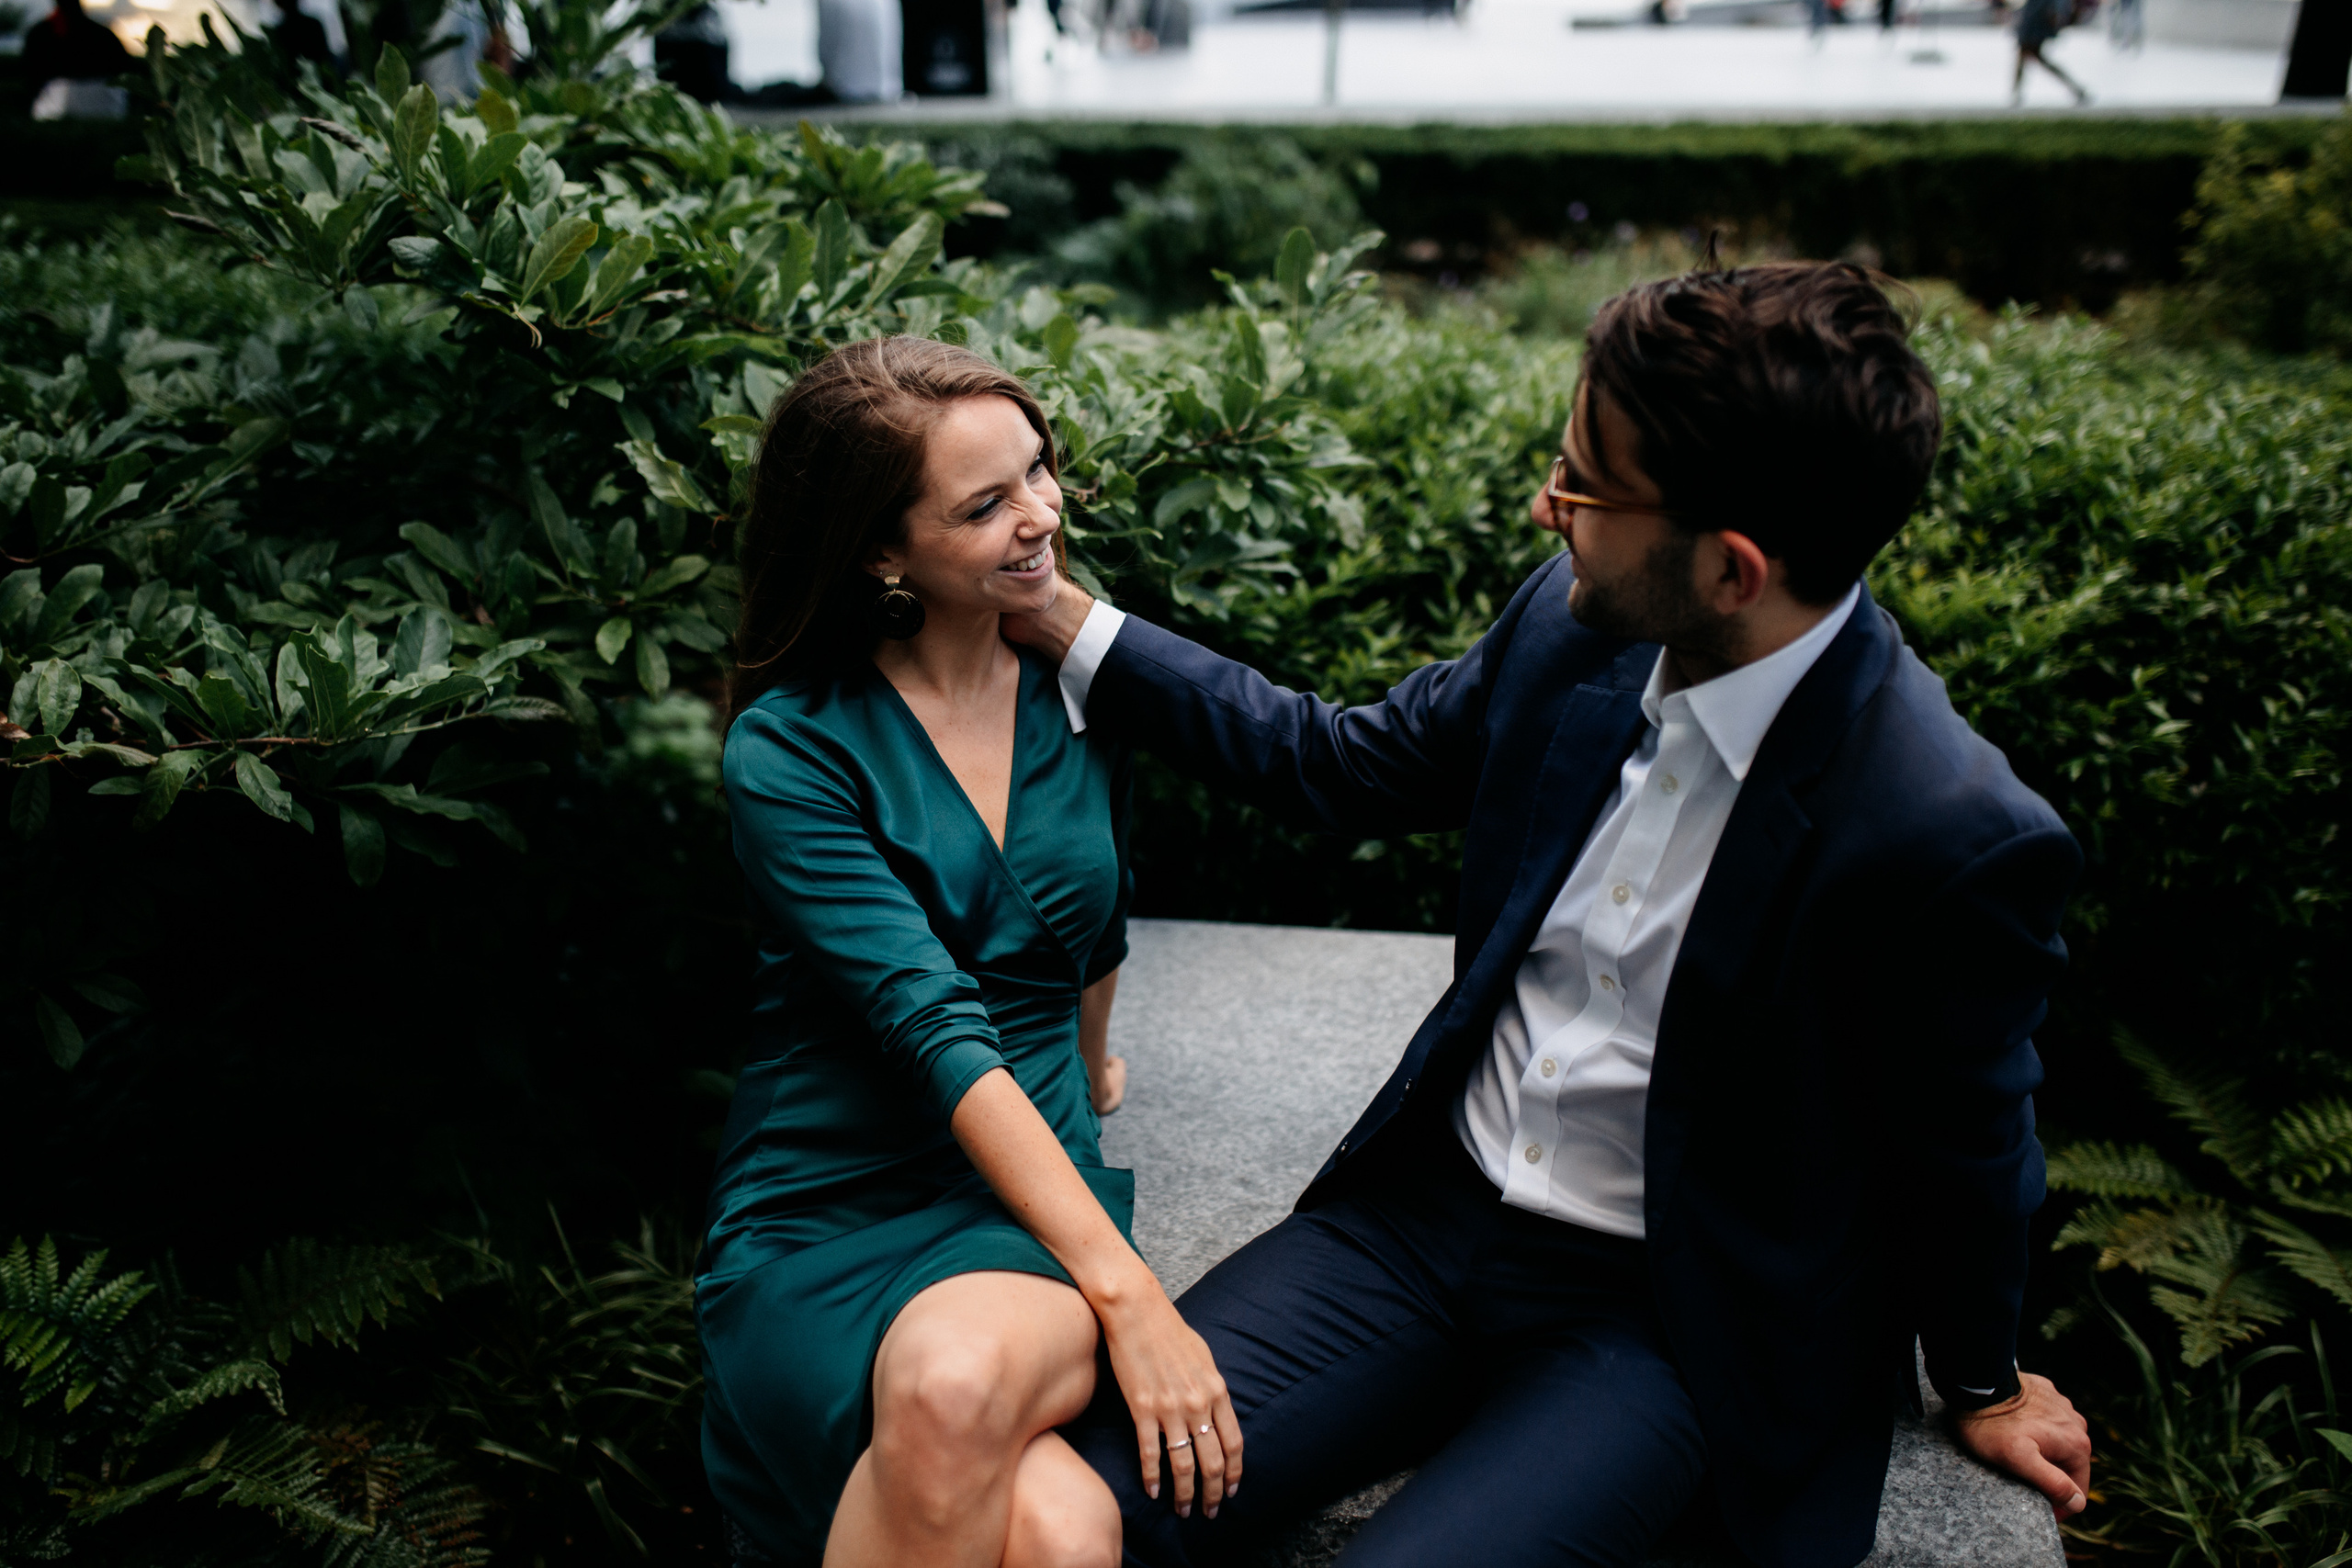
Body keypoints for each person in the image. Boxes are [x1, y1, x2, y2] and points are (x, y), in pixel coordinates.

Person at [1006, 262, 2094, 1568]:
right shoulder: (1576, 619)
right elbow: (1346, 762)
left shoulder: (1945, 832)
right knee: (1075, 1501)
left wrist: (1982, 1379)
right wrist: (1057, 616)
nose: (1547, 504)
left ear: (1733, 568)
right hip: (1420, 1224)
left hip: (1666, 1322)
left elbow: (1967, 1143)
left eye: (1582, 485)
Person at [696, 336, 1237, 1568]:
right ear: (881, 552)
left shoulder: (1081, 687)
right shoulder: (792, 749)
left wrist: (1091, 1066)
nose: (1040, 515)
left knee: (955, 1393)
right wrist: (1134, 1296)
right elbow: (929, 1024)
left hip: (1015, 1195)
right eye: (984, 504)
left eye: (1038, 470)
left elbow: (1093, 920)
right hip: (822, 1199)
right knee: (1061, 1530)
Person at [18, 0, 131, 118]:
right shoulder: (105, 36)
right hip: (107, 107)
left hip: (64, 105)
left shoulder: (40, 34)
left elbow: (31, 78)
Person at [2013, 0, 2091, 105]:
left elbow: (2046, 8)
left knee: (2027, 56)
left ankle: (2016, 92)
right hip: (2033, 25)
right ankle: (2077, 90)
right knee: (2028, 57)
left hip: (2035, 26)